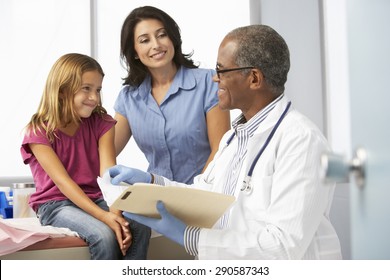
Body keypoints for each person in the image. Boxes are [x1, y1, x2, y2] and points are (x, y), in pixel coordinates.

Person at [106, 24, 343, 260]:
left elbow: (281, 246)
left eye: (222, 70)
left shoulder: (300, 141)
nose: (214, 78)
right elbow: (204, 195)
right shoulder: (234, 137)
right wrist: (152, 182)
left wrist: (189, 236)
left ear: (254, 78)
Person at [20, 53, 150, 260]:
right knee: (104, 236)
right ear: (62, 91)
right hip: (56, 204)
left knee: (140, 226)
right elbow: (64, 183)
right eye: (86, 89)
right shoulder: (37, 131)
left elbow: (109, 175)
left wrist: (116, 215)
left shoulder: (102, 123)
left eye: (97, 90)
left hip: (98, 197)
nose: (94, 98)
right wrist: (106, 218)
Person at [114, 6, 231, 184]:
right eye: (145, 40)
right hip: (155, 198)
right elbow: (105, 152)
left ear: (172, 39)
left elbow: (220, 151)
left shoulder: (208, 82)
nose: (156, 45)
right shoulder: (129, 98)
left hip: (203, 197)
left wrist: (196, 195)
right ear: (135, 52)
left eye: (162, 35)